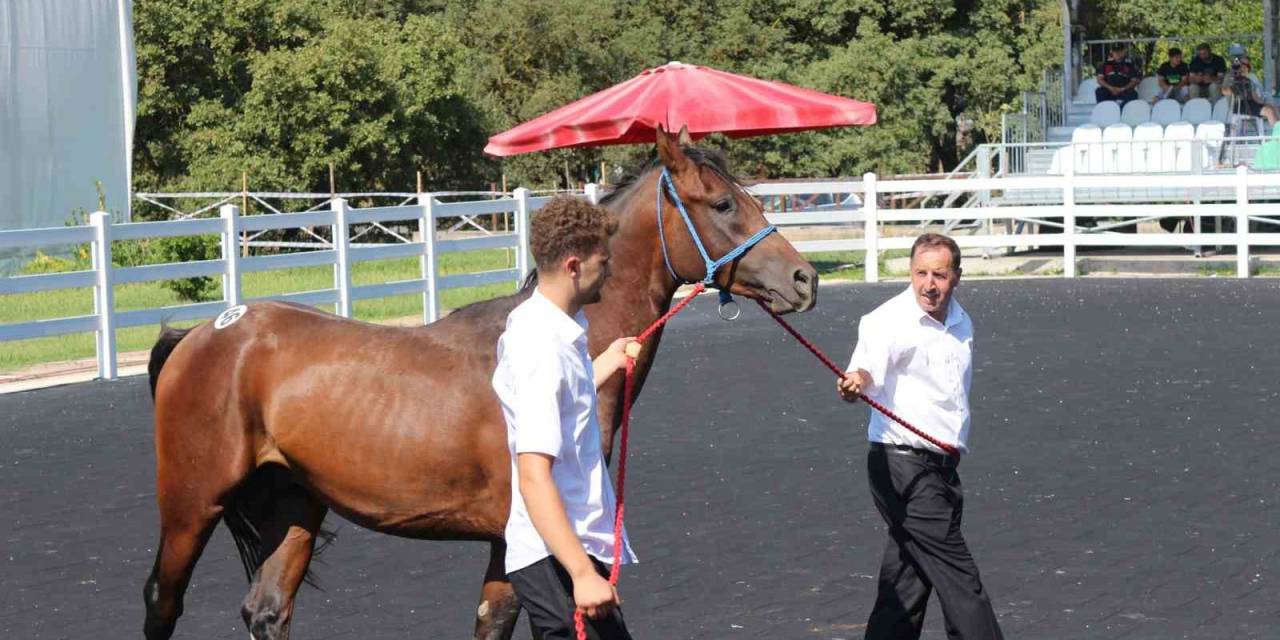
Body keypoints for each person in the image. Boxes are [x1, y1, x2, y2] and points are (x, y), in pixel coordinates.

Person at [837, 233, 1004, 640]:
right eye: (921, 273)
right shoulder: (887, 320)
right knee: (959, 577)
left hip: (943, 468)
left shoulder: (962, 321)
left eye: (940, 275)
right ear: (910, 273)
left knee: (907, 582)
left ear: (957, 277)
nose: (929, 284)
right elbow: (867, 367)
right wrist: (856, 380)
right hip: (902, 467)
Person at [492, 195, 639, 639]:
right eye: (603, 261)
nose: (609, 272)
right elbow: (534, 474)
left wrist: (604, 364)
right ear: (574, 266)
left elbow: (555, 402)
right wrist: (580, 574)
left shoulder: (546, 326)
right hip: (555, 554)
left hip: (565, 546)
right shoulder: (543, 348)